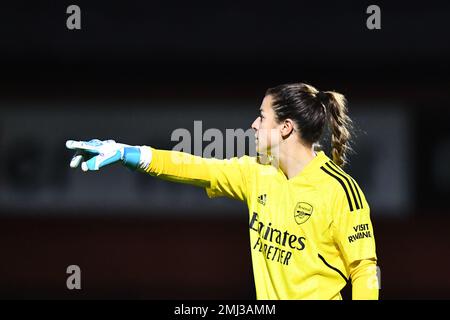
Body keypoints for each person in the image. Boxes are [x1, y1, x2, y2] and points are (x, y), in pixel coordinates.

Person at [66, 82, 379, 300]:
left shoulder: (339, 191)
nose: (254, 125)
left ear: (285, 128)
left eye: (262, 116)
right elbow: (194, 167)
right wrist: (126, 152)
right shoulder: (257, 173)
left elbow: (365, 269)